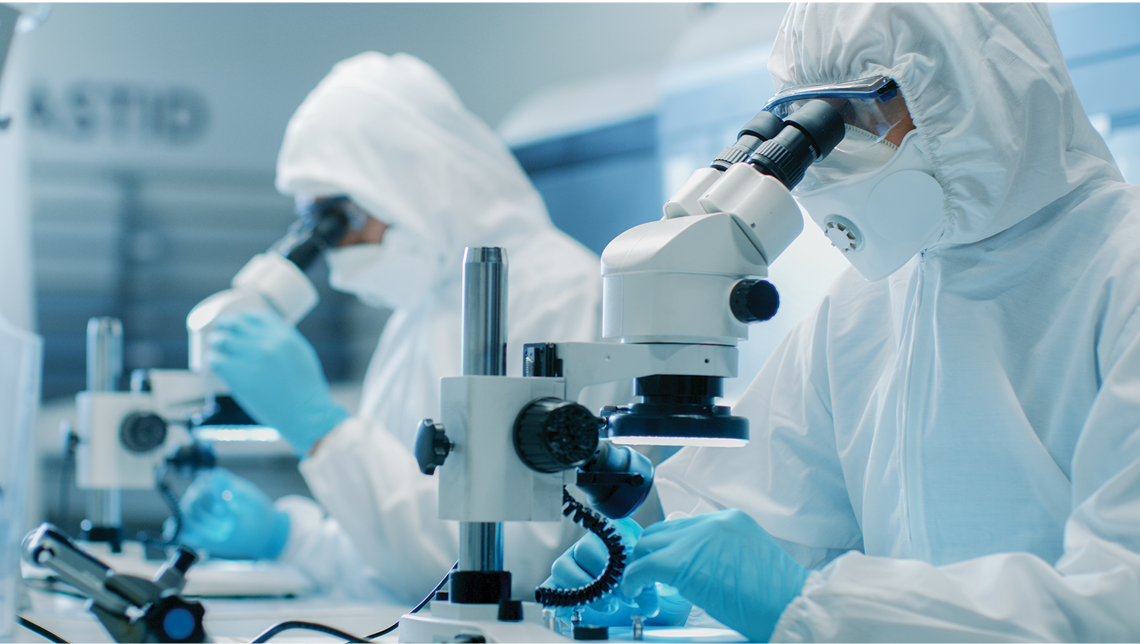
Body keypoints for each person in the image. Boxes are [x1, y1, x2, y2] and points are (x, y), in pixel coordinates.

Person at [548, 3, 1140, 642]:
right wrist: (661, 576)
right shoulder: (864, 305)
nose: (829, 161)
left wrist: (802, 601)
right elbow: (755, 520)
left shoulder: (1121, 274)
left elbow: (1117, 602)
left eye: (859, 114)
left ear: (977, 87)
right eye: (807, 122)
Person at [176, 52, 625, 601]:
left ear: (411, 180)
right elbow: (385, 568)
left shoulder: (561, 295)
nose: (336, 248)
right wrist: (286, 537)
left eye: (340, 220)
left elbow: (499, 569)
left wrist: (325, 434)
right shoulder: (418, 318)